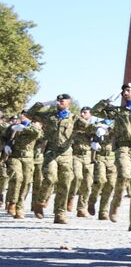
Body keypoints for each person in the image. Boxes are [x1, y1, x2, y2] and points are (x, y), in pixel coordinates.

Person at [92, 83, 131, 229]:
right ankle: (115, 204)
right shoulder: (117, 112)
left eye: (128, 90)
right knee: (125, 175)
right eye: (123, 91)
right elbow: (95, 111)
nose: (125, 93)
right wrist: (105, 102)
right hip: (123, 148)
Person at [29, 94, 79, 224]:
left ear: (69, 103)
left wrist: (99, 130)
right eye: (59, 100)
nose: (60, 102)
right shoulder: (49, 116)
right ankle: (40, 202)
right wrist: (43, 103)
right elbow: (30, 114)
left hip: (66, 154)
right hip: (51, 152)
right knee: (51, 177)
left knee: (65, 183)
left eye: (63, 101)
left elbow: (89, 127)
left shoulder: (74, 118)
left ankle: (60, 214)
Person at [3, 113, 42, 219]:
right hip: (14, 156)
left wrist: (23, 128)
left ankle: (20, 206)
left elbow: (38, 134)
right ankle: (12, 202)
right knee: (17, 178)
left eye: (25, 115)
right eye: (22, 115)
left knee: (26, 182)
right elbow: (4, 137)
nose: (22, 117)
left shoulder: (34, 127)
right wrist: (5, 146)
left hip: (28, 158)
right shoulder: (13, 127)